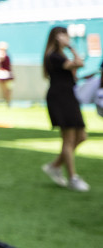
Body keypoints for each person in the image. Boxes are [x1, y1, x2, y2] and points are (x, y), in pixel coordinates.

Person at [41, 26, 89, 192]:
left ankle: (55, 166)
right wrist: (71, 47)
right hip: (60, 98)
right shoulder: (53, 56)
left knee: (81, 136)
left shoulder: (60, 56)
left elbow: (77, 66)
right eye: (63, 35)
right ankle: (73, 177)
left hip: (69, 97)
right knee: (68, 139)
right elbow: (79, 63)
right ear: (56, 37)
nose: (66, 38)